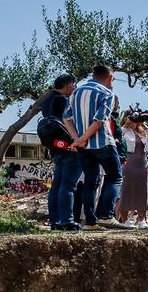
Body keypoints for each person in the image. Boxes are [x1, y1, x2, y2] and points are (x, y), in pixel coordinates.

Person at [65, 65, 124, 229]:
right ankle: (106, 215)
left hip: (84, 147)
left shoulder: (76, 93)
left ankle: (90, 221)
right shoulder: (107, 93)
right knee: (115, 177)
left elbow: (66, 118)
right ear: (110, 77)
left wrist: (77, 139)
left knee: (91, 182)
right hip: (102, 142)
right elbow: (100, 120)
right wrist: (83, 138)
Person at [37, 74, 79, 230]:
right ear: (68, 84)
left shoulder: (46, 102)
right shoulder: (63, 101)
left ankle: (55, 222)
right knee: (68, 186)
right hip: (69, 148)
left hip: (56, 148)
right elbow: (71, 121)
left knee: (57, 185)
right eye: (74, 85)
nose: (75, 88)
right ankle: (67, 221)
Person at [118, 114, 148, 228]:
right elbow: (117, 138)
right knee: (125, 191)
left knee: (143, 192)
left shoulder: (142, 131)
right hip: (127, 165)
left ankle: (141, 220)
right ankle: (124, 220)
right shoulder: (123, 130)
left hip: (142, 165)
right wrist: (127, 125)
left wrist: (143, 124)